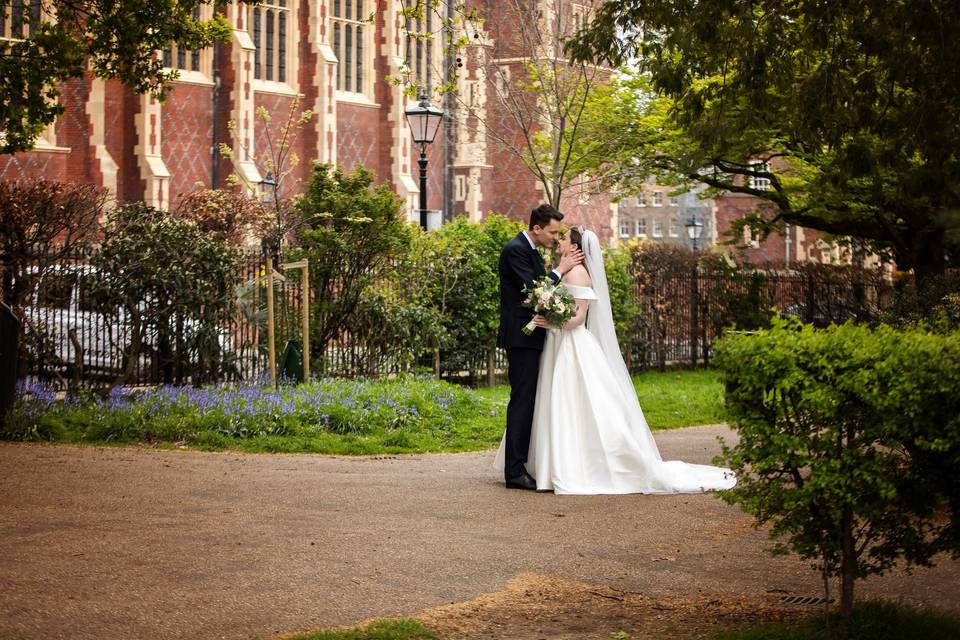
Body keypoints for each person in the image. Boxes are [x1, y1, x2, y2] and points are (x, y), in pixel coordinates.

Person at [495, 227, 736, 495]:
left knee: (571, 403)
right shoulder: (562, 270)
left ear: (576, 248)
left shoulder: (577, 273)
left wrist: (550, 320)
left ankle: (574, 464)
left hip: (570, 347)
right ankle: (544, 465)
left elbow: (576, 318)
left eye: (562, 238)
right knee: (551, 402)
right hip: (556, 344)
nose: (558, 241)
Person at [497, 204, 584, 491]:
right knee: (522, 401)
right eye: (552, 232)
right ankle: (514, 472)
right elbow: (537, 292)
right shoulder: (516, 250)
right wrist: (561, 269)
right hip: (522, 337)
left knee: (528, 400)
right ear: (536, 228)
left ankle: (521, 465)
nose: (555, 237)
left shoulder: (530, 250)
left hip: (532, 337)